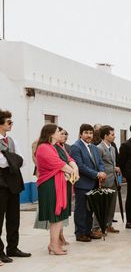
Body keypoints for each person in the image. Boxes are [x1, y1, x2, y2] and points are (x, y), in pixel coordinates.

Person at [34, 124, 78, 256]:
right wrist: (74, 172)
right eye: (59, 131)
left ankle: (53, 243)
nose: (61, 133)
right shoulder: (43, 148)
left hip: (61, 183)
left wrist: (75, 168)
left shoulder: (58, 146)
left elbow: (69, 159)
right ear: (51, 133)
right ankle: (54, 245)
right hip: (50, 185)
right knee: (55, 215)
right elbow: (60, 164)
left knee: (59, 216)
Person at [0, 109, 31, 262]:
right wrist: (12, 159)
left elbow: (23, 160)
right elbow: (1, 162)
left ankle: (12, 247)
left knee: (14, 218)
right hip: (1, 184)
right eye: (9, 122)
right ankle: (0, 251)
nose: (11, 124)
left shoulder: (12, 140)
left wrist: (8, 157)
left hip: (14, 182)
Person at [69, 124, 106, 242]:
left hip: (94, 184)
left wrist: (102, 171)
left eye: (90, 133)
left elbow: (100, 162)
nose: (89, 135)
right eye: (86, 133)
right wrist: (96, 174)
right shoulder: (76, 147)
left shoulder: (94, 147)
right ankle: (80, 233)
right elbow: (80, 166)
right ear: (81, 134)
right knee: (81, 210)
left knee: (90, 209)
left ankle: (88, 231)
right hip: (82, 184)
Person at [96, 125, 120, 234]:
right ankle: (99, 226)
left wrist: (115, 168)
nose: (114, 136)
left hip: (113, 179)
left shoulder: (113, 148)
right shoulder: (99, 148)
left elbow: (111, 163)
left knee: (112, 205)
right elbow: (98, 164)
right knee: (102, 205)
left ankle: (109, 224)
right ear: (105, 136)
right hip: (105, 180)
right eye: (112, 134)